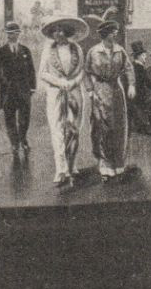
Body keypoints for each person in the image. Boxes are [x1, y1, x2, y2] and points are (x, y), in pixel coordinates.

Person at [86, 16, 138, 182]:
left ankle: (118, 163)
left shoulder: (119, 50)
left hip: (117, 90)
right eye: (112, 31)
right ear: (105, 34)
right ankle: (105, 165)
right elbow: (87, 72)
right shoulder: (93, 52)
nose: (115, 34)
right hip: (100, 90)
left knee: (120, 126)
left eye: (115, 31)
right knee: (102, 127)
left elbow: (129, 68)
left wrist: (131, 85)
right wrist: (90, 91)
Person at [38, 16, 88, 187]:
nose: (57, 33)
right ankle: (61, 169)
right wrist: (60, 83)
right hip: (55, 93)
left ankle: (72, 165)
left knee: (74, 129)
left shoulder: (77, 48)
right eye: (54, 30)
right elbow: (42, 73)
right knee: (57, 129)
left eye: (61, 29)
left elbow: (82, 71)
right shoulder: (48, 50)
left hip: (75, 93)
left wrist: (73, 82)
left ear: (67, 31)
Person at [0, 21, 37, 158]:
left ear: (18, 34)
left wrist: (33, 87)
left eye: (14, 33)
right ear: (6, 35)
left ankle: (23, 139)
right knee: (10, 119)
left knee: (24, 118)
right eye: (9, 33)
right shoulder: (1, 51)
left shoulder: (25, 50)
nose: (12, 36)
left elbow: (31, 70)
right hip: (8, 90)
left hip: (24, 90)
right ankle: (14, 143)